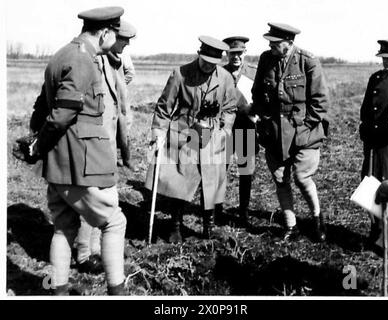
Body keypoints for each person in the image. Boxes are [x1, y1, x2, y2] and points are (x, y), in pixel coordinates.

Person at [30, 6, 127, 295]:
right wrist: (38, 145)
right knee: (114, 220)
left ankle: (57, 291)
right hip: (80, 162)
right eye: (116, 33)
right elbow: (62, 114)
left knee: (63, 226)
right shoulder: (84, 60)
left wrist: (39, 144)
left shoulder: (61, 54)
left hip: (58, 162)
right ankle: (117, 290)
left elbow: (41, 108)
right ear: (106, 32)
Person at [145, 36, 237, 242]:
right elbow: (164, 107)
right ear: (199, 55)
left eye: (213, 63)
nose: (207, 66)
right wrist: (158, 132)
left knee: (211, 182)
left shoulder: (225, 78)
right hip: (184, 132)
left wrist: (226, 129)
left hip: (212, 135)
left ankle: (208, 228)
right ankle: (175, 226)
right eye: (204, 61)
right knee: (181, 180)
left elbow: (230, 108)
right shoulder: (180, 74)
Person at [250, 23, 329, 242]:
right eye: (270, 43)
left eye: (276, 43)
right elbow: (257, 92)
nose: (271, 46)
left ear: (289, 43)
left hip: (305, 132)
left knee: (302, 178)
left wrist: (304, 127)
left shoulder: (308, 61)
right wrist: (263, 118)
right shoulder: (266, 59)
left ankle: (317, 219)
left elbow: (321, 102)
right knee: (280, 179)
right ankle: (291, 227)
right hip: (275, 132)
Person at [74, 20, 137, 275]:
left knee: (106, 197)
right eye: (124, 40)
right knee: (90, 197)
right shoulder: (89, 61)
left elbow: (120, 98)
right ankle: (84, 254)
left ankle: (100, 248)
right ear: (109, 36)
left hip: (108, 142)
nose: (127, 45)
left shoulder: (116, 62)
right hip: (91, 143)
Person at [218, 36, 257, 227]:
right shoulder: (220, 72)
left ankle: (243, 213)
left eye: (239, 53)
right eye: (232, 54)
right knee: (220, 168)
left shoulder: (253, 73)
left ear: (245, 53)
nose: (236, 57)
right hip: (224, 128)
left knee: (245, 171)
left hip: (246, 126)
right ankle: (216, 210)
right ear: (226, 54)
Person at [359, 39, 388, 247]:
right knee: (369, 183)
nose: (387, 62)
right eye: (384, 58)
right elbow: (366, 109)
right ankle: (376, 229)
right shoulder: (376, 78)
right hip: (373, 142)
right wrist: (366, 128)